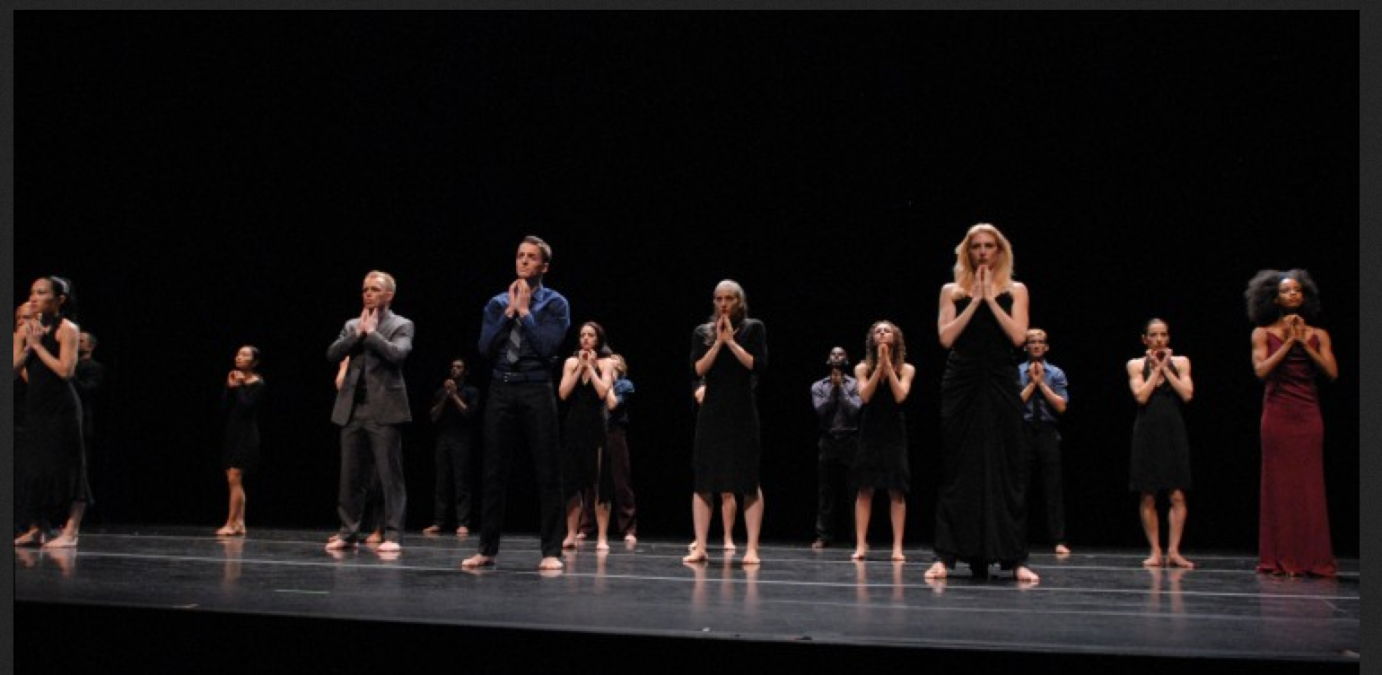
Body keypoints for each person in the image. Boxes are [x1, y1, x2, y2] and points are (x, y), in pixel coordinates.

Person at [926, 224, 1038, 583]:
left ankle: (1014, 557)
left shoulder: (1016, 290)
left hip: (1001, 379)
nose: (984, 252)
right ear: (968, 252)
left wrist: (992, 299)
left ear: (1000, 251)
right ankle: (946, 555)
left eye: (990, 246)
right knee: (959, 465)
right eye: (977, 247)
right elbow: (946, 338)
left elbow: (1019, 337)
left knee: (1006, 465)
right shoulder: (952, 291)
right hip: (962, 379)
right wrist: (975, 299)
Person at [463, 236, 570, 572]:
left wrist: (525, 313)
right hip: (501, 388)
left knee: (547, 471)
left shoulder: (555, 304)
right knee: (493, 470)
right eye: (520, 256)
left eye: (531, 257)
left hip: (536, 388)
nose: (523, 261)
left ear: (544, 266)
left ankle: (552, 550)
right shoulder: (497, 303)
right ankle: (486, 549)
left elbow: (547, 349)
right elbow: (485, 348)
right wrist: (510, 312)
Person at [1246, 269, 1338, 576]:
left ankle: (1313, 558)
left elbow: (1331, 373)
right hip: (1277, 414)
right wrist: (1288, 343)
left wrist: (1304, 342)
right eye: (1286, 291)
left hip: (1308, 413)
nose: (1293, 295)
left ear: (1304, 295)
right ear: (1275, 298)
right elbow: (1261, 373)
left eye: (1297, 290)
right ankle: (1281, 557)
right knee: (1279, 485)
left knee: (1309, 485)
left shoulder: (1320, 334)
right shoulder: (1261, 333)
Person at [324, 270, 413, 554]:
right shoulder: (352, 324)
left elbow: (397, 354)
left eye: (374, 289)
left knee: (389, 476)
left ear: (389, 294)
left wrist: (372, 334)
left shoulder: (401, 324)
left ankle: (393, 534)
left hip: (384, 409)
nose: (368, 293)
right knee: (351, 476)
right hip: (352, 408)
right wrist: (359, 334)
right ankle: (348, 533)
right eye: (365, 289)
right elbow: (332, 354)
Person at [684, 279, 768, 566]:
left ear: (739, 301)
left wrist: (731, 342)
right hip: (712, 412)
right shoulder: (702, 332)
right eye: (719, 298)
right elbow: (697, 368)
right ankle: (701, 547)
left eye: (729, 298)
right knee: (704, 479)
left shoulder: (753, 328)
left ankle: (752, 548)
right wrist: (718, 343)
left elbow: (757, 365)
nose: (723, 304)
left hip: (742, 411)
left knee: (747, 478)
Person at [14, 276, 91, 549]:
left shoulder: (67, 328)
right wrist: (28, 345)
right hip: (37, 406)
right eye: (32, 292)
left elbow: (64, 371)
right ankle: (37, 528)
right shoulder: (26, 329)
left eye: (41, 292)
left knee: (69, 465)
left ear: (59, 300)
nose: (34, 297)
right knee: (36, 468)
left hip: (62, 408)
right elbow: (14, 370)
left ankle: (71, 530)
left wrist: (37, 347)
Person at [1126, 318, 1195, 569]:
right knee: (1148, 495)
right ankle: (1155, 551)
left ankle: (1174, 551)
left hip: (1173, 430)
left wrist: (1166, 368)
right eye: (1153, 335)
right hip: (1146, 432)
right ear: (1145, 339)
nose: (1159, 340)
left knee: (1177, 494)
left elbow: (1187, 394)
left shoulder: (1181, 362)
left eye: (1163, 335)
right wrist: (1155, 369)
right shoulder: (1135, 365)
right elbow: (1141, 396)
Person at [852, 322, 915, 562]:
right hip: (870, 429)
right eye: (877, 331)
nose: (882, 333)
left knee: (896, 489)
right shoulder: (862, 368)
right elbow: (865, 396)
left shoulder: (907, 368)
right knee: (865, 488)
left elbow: (900, 396)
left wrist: (888, 366)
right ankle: (860, 545)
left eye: (886, 330)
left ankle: (897, 547)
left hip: (893, 430)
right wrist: (878, 367)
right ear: (872, 339)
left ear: (895, 338)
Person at [558, 322, 614, 550]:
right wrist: (580, 368)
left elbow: (603, 392)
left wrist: (590, 368)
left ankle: (602, 536)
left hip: (596, 427)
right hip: (574, 427)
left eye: (590, 335)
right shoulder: (571, 362)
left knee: (600, 483)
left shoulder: (607, 363)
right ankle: (571, 533)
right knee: (572, 482)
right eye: (582, 335)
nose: (586, 339)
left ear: (598, 339)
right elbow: (563, 393)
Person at [1018, 328, 1071, 555]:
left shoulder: (1056, 373)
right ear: (1026, 347)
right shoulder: (1016, 372)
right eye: (1032, 342)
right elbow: (1012, 404)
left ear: (1046, 347)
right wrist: (1032, 383)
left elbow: (1061, 406)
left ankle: (1058, 539)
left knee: (1053, 488)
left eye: (1040, 342)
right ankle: (1016, 538)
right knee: (1020, 488)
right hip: (1023, 431)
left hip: (1048, 432)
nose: (1037, 345)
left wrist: (1041, 384)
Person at [810, 346, 860, 550]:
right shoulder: (818, 386)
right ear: (828, 359)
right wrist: (833, 390)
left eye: (841, 354)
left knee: (854, 492)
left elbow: (855, 410)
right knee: (826, 492)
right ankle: (824, 535)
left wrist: (842, 390)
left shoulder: (857, 384)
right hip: (828, 440)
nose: (837, 356)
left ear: (847, 360)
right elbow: (820, 410)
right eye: (833, 354)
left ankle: (858, 537)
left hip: (850, 440)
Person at [424, 358, 481, 536]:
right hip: (443, 440)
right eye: (453, 367)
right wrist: (446, 397)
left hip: (462, 440)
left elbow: (469, 414)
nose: (454, 370)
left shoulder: (471, 391)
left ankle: (463, 522)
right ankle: (438, 522)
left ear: (465, 371)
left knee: (461, 482)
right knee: (441, 482)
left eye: (459, 367)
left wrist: (455, 395)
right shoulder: (442, 392)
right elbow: (433, 416)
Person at [217, 345, 265, 536]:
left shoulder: (258, 383)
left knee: (235, 477)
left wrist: (239, 387)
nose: (239, 357)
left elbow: (247, 407)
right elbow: (223, 407)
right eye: (238, 354)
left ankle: (231, 523)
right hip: (232, 432)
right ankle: (240, 523)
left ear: (254, 362)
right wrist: (230, 388)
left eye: (244, 355)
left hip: (247, 435)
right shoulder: (234, 379)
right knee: (233, 479)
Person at [688, 380, 739, 552]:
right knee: (703, 488)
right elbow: (701, 396)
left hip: (730, 431)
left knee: (727, 489)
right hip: (706, 432)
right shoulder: (702, 375)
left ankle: (728, 537)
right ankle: (700, 538)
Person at [603, 353, 639, 545]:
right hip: (597, 433)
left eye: (614, 361)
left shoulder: (625, 385)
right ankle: (587, 527)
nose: (610, 363)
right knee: (594, 482)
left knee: (621, 481)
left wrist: (606, 381)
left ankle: (628, 529)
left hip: (616, 433)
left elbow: (612, 403)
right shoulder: (598, 381)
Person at [74, 331, 106, 520]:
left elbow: (89, 390)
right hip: (64, 420)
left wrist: (69, 373)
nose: (77, 343)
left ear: (90, 346)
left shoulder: (94, 368)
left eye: (81, 341)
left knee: (81, 468)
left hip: (83, 422)